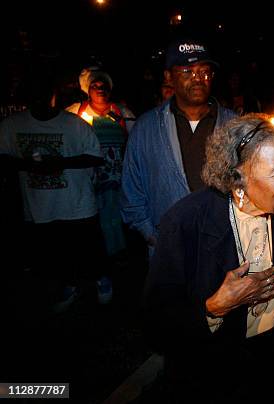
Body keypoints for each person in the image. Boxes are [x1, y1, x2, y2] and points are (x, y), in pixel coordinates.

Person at [143, 114, 274, 403]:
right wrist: (215, 307)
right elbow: (156, 327)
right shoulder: (185, 223)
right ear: (238, 181)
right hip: (211, 371)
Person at [0, 71, 107, 311]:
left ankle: (100, 279)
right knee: (55, 254)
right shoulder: (12, 125)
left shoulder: (73, 124)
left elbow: (96, 157)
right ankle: (70, 285)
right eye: (33, 95)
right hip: (39, 206)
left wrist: (61, 163)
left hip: (76, 204)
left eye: (43, 94)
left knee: (89, 249)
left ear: (53, 96)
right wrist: (28, 165)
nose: (38, 100)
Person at [121, 38, 236, 250]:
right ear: (169, 77)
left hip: (224, 245)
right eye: (187, 71)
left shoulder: (235, 125)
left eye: (204, 71)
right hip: (169, 248)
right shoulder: (146, 128)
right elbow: (131, 191)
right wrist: (153, 236)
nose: (198, 79)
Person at [66, 69, 135, 260]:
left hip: (117, 174)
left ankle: (119, 254)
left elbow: (134, 142)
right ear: (88, 90)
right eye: (95, 86)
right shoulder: (74, 112)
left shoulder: (122, 112)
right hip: (89, 176)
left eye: (103, 86)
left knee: (116, 214)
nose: (100, 89)